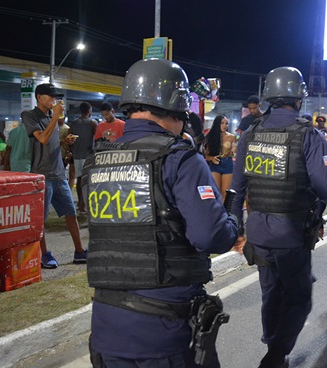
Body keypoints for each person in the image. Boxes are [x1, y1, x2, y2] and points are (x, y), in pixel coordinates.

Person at [86, 58, 240, 368]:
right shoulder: (180, 158)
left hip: (105, 329)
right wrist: (233, 224)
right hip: (164, 334)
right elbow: (211, 236)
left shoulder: (97, 161)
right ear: (177, 108)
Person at [230, 66, 327, 368]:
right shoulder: (309, 135)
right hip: (291, 236)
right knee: (299, 298)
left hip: (259, 234)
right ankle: (276, 354)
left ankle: (272, 342)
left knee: (270, 293)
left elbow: (236, 190)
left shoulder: (250, 133)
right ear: (298, 98)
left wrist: (236, 227)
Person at [21, 83, 87, 268]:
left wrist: (62, 142)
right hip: (42, 174)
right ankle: (45, 255)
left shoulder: (52, 116)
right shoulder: (29, 115)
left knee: (70, 213)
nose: (54, 100)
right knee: (40, 219)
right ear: (39, 97)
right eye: (50, 97)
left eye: (55, 97)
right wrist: (56, 116)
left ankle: (80, 251)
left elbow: (49, 140)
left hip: (59, 173)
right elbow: (41, 138)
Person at [68, 102, 97, 215]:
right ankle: (86, 205)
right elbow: (98, 137)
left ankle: (81, 204)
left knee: (80, 180)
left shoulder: (74, 123)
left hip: (77, 155)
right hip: (88, 156)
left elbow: (69, 139)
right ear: (89, 111)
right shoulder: (92, 123)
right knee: (89, 181)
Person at [203, 115, 237, 201]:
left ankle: (223, 213)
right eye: (222, 123)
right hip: (215, 163)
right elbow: (206, 155)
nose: (225, 125)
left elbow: (234, 151)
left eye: (226, 123)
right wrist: (212, 158)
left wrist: (232, 152)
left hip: (227, 163)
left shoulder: (231, 137)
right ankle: (216, 212)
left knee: (225, 192)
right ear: (217, 124)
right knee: (215, 191)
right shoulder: (210, 137)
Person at [58, 117, 76, 188]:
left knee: (62, 173)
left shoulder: (66, 128)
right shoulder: (54, 128)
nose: (59, 119)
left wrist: (68, 153)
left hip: (62, 154)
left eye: (61, 118)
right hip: (54, 154)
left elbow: (69, 143)